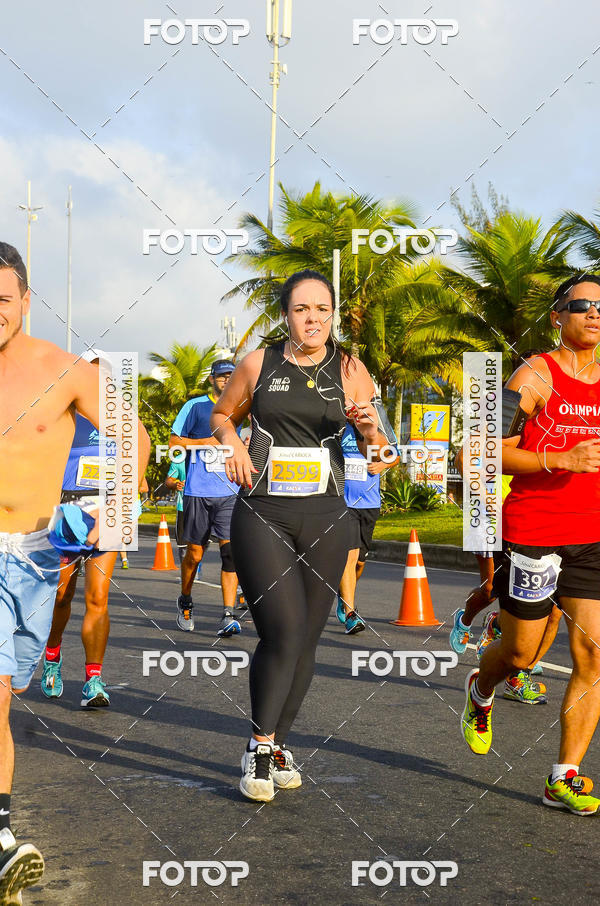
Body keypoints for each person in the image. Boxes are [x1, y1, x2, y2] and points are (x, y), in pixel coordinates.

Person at [0, 242, 150, 900]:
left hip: (33, 554)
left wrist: (117, 506)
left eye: (3, 300)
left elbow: (134, 436)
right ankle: (2, 838)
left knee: (8, 692)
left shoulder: (63, 372)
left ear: (26, 302)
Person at [211, 268, 392, 802]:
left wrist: (367, 429)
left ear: (333, 314)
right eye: (301, 309)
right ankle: (258, 748)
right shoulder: (259, 363)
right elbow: (223, 414)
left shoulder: (351, 370)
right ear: (285, 315)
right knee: (283, 631)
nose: (312, 319)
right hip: (263, 511)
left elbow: (381, 461)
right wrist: (232, 443)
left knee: (308, 637)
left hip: (327, 514)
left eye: (322, 309)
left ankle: (279, 744)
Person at [461, 274, 600, 815]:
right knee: (521, 652)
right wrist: (558, 460)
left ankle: (563, 776)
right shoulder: (534, 375)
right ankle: (482, 685)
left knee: (592, 655)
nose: (594, 314)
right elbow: (481, 451)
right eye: (582, 305)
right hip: (535, 533)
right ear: (558, 318)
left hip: (592, 537)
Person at [40, 351, 119, 709]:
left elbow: (136, 463)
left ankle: (93, 680)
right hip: (69, 510)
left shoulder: (122, 421)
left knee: (98, 598)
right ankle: (52, 658)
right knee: (61, 596)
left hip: (110, 509)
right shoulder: (63, 416)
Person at [450, 472, 556, 704]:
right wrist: (489, 502)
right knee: (490, 588)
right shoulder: (494, 435)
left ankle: (517, 674)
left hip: (538, 519)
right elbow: (465, 460)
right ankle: (465, 621)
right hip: (489, 513)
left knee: (552, 610)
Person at [169, 361, 241, 637]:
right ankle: (185, 600)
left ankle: (227, 614)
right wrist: (204, 443)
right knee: (195, 555)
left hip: (230, 493)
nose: (226, 380)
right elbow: (175, 442)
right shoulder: (195, 407)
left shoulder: (242, 407)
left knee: (230, 554)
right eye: (222, 376)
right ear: (212, 379)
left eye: (231, 376)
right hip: (197, 492)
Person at [336, 422, 396, 634]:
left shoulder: (375, 426)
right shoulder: (339, 427)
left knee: (360, 562)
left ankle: (343, 594)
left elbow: (394, 454)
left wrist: (382, 465)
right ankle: (351, 613)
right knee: (349, 557)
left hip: (370, 503)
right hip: (344, 503)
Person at [165, 452, 187, 566]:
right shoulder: (179, 459)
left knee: (200, 543)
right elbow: (168, 480)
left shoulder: (206, 456)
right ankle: (186, 573)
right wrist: (175, 485)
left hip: (203, 506)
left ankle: (195, 567)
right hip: (183, 506)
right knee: (183, 546)